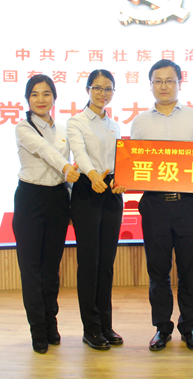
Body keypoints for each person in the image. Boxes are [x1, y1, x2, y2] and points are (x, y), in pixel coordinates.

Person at [130, 59, 193, 352]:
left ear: (179, 83)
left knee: (189, 272)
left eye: (169, 80)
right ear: (151, 85)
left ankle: (189, 328)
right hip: (155, 205)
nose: (163, 86)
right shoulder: (140, 122)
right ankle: (162, 328)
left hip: (189, 205)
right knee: (158, 272)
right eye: (158, 81)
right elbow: (134, 162)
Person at [12, 74, 80, 354]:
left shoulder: (63, 129)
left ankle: (51, 323)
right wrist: (66, 168)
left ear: (54, 97)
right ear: (27, 99)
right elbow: (44, 150)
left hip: (57, 200)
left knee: (51, 269)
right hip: (30, 199)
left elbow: (71, 169)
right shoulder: (22, 128)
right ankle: (37, 330)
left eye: (46, 94)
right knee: (32, 270)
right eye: (34, 94)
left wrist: (72, 202)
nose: (40, 99)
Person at [67, 70, 125, 351]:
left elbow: (119, 158)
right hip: (87, 191)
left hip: (111, 192)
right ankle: (90, 328)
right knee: (90, 262)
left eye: (108, 89)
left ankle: (105, 324)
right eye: (98, 88)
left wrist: (121, 179)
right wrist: (92, 176)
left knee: (106, 262)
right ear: (88, 89)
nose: (103, 93)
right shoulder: (76, 122)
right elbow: (79, 153)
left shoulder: (115, 125)